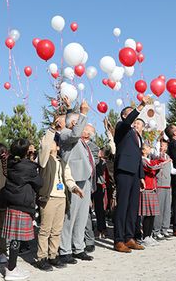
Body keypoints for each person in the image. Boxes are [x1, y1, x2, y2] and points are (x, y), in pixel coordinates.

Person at [36, 120, 84, 272]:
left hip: (61, 198)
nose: (50, 144)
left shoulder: (62, 162)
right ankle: (41, 257)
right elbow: (44, 145)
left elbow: (68, 178)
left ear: (57, 146)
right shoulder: (44, 160)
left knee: (57, 230)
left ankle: (53, 255)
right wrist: (51, 130)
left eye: (53, 142)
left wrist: (74, 187)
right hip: (48, 198)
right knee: (45, 229)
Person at [58, 101, 95, 263]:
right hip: (74, 180)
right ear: (74, 123)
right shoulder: (66, 134)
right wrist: (83, 113)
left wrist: (70, 109)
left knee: (81, 217)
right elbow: (74, 132)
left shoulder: (78, 137)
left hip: (85, 179)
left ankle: (78, 247)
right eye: (79, 122)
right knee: (70, 216)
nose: (84, 127)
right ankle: (65, 249)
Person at [113, 96, 151, 252]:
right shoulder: (121, 127)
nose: (135, 119)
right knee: (122, 206)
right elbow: (129, 119)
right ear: (124, 116)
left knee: (133, 207)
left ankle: (129, 237)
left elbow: (138, 156)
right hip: (123, 171)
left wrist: (141, 176)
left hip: (135, 173)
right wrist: (141, 106)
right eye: (131, 114)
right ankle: (118, 240)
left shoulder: (137, 135)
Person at [1, 139, 43, 281]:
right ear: (27, 151)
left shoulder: (12, 163)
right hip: (23, 204)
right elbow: (39, 183)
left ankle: (12, 266)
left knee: (14, 238)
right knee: (16, 239)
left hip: (12, 203)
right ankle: (11, 270)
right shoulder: (28, 167)